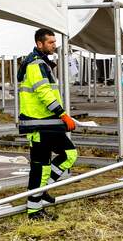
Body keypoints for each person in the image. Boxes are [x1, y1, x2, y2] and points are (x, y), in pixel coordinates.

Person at [17, 28, 78, 220]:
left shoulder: (41, 62)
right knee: (42, 166)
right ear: (39, 44)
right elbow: (44, 93)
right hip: (40, 123)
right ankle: (34, 209)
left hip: (46, 122)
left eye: (54, 42)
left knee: (62, 157)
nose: (54, 45)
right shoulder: (35, 65)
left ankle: (41, 191)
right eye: (50, 42)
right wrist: (63, 114)